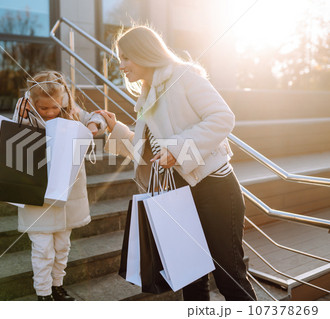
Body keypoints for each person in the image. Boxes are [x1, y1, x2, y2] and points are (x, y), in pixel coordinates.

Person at [96, 26, 257, 301]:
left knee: (228, 274)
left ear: (144, 53)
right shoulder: (147, 93)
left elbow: (222, 118)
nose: (121, 66)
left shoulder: (183, 77)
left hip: (214, 190)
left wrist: (178, 151)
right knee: (192, 278)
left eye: (125, 58)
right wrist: (117, 129)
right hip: (179, 195)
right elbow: (150, 150)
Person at [12, 70, 106, 301]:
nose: (50, 112)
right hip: (37, 193)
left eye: (55, 107)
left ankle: (57, 285)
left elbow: (99, 116)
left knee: (62, 246)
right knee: (43, 248)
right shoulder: (24, 111)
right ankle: (43, 293)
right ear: (34, 102)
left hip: (66, 195)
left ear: (63, 101)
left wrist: (94, 124)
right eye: (44, 108)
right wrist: (22, 118)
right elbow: (12, 137)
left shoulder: (71, 110)